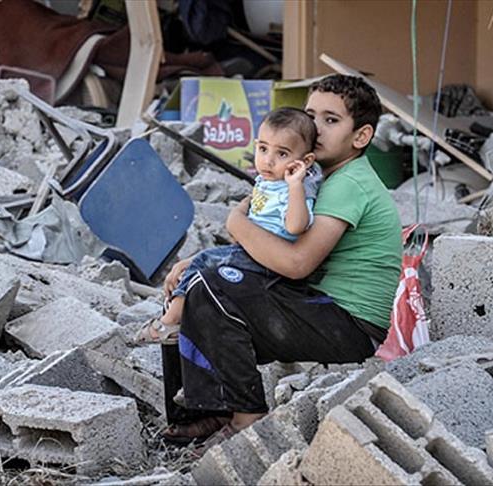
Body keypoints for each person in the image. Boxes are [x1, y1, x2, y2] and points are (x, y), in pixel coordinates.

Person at [162, 74, 403, 445]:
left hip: (348, 325)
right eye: (311, 115)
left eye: (331, 120)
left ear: (361, 137)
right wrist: (199, 261)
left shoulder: (349, 183)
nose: (315, 128)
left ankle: (246, 417)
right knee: (193, 284)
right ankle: (202, 413)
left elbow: (295, 264)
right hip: (312, 304)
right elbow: (268, 240)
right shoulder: (310, 176)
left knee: (213, 287)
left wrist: (234, 222)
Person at [134, 107, 321, 345]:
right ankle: (178, 319)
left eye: (282, 154)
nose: (268, 160)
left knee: (203, 264)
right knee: (194, 265)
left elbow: (296, 226)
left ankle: (170, 322)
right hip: (250, 251)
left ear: (305, 161)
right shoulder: (267, 181)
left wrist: (295, 186)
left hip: (269, 261)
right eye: (263, 149)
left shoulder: (296, 188)